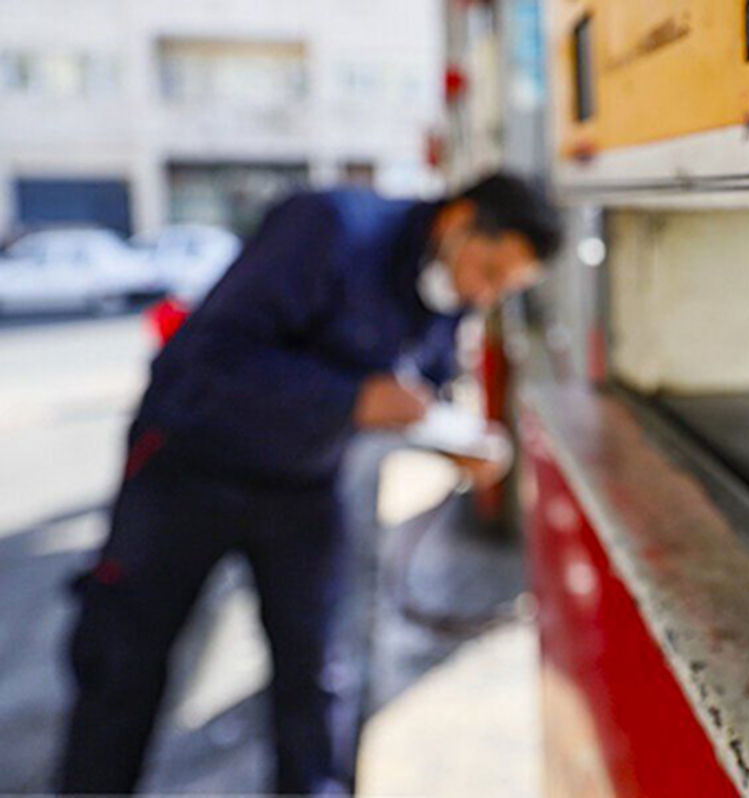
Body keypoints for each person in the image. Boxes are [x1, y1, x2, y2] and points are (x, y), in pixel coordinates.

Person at [59, 172, 562, 794]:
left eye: (501, 289)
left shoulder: (448, 294)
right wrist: (351, 398)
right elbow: (209, 360)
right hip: (188, 470)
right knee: (122, 663)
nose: (483, 294)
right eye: (487, 271)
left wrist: (453, 442)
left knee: (319, 676)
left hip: (305, 485)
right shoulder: (329, 229)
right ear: (459, 222)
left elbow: (419, 387)